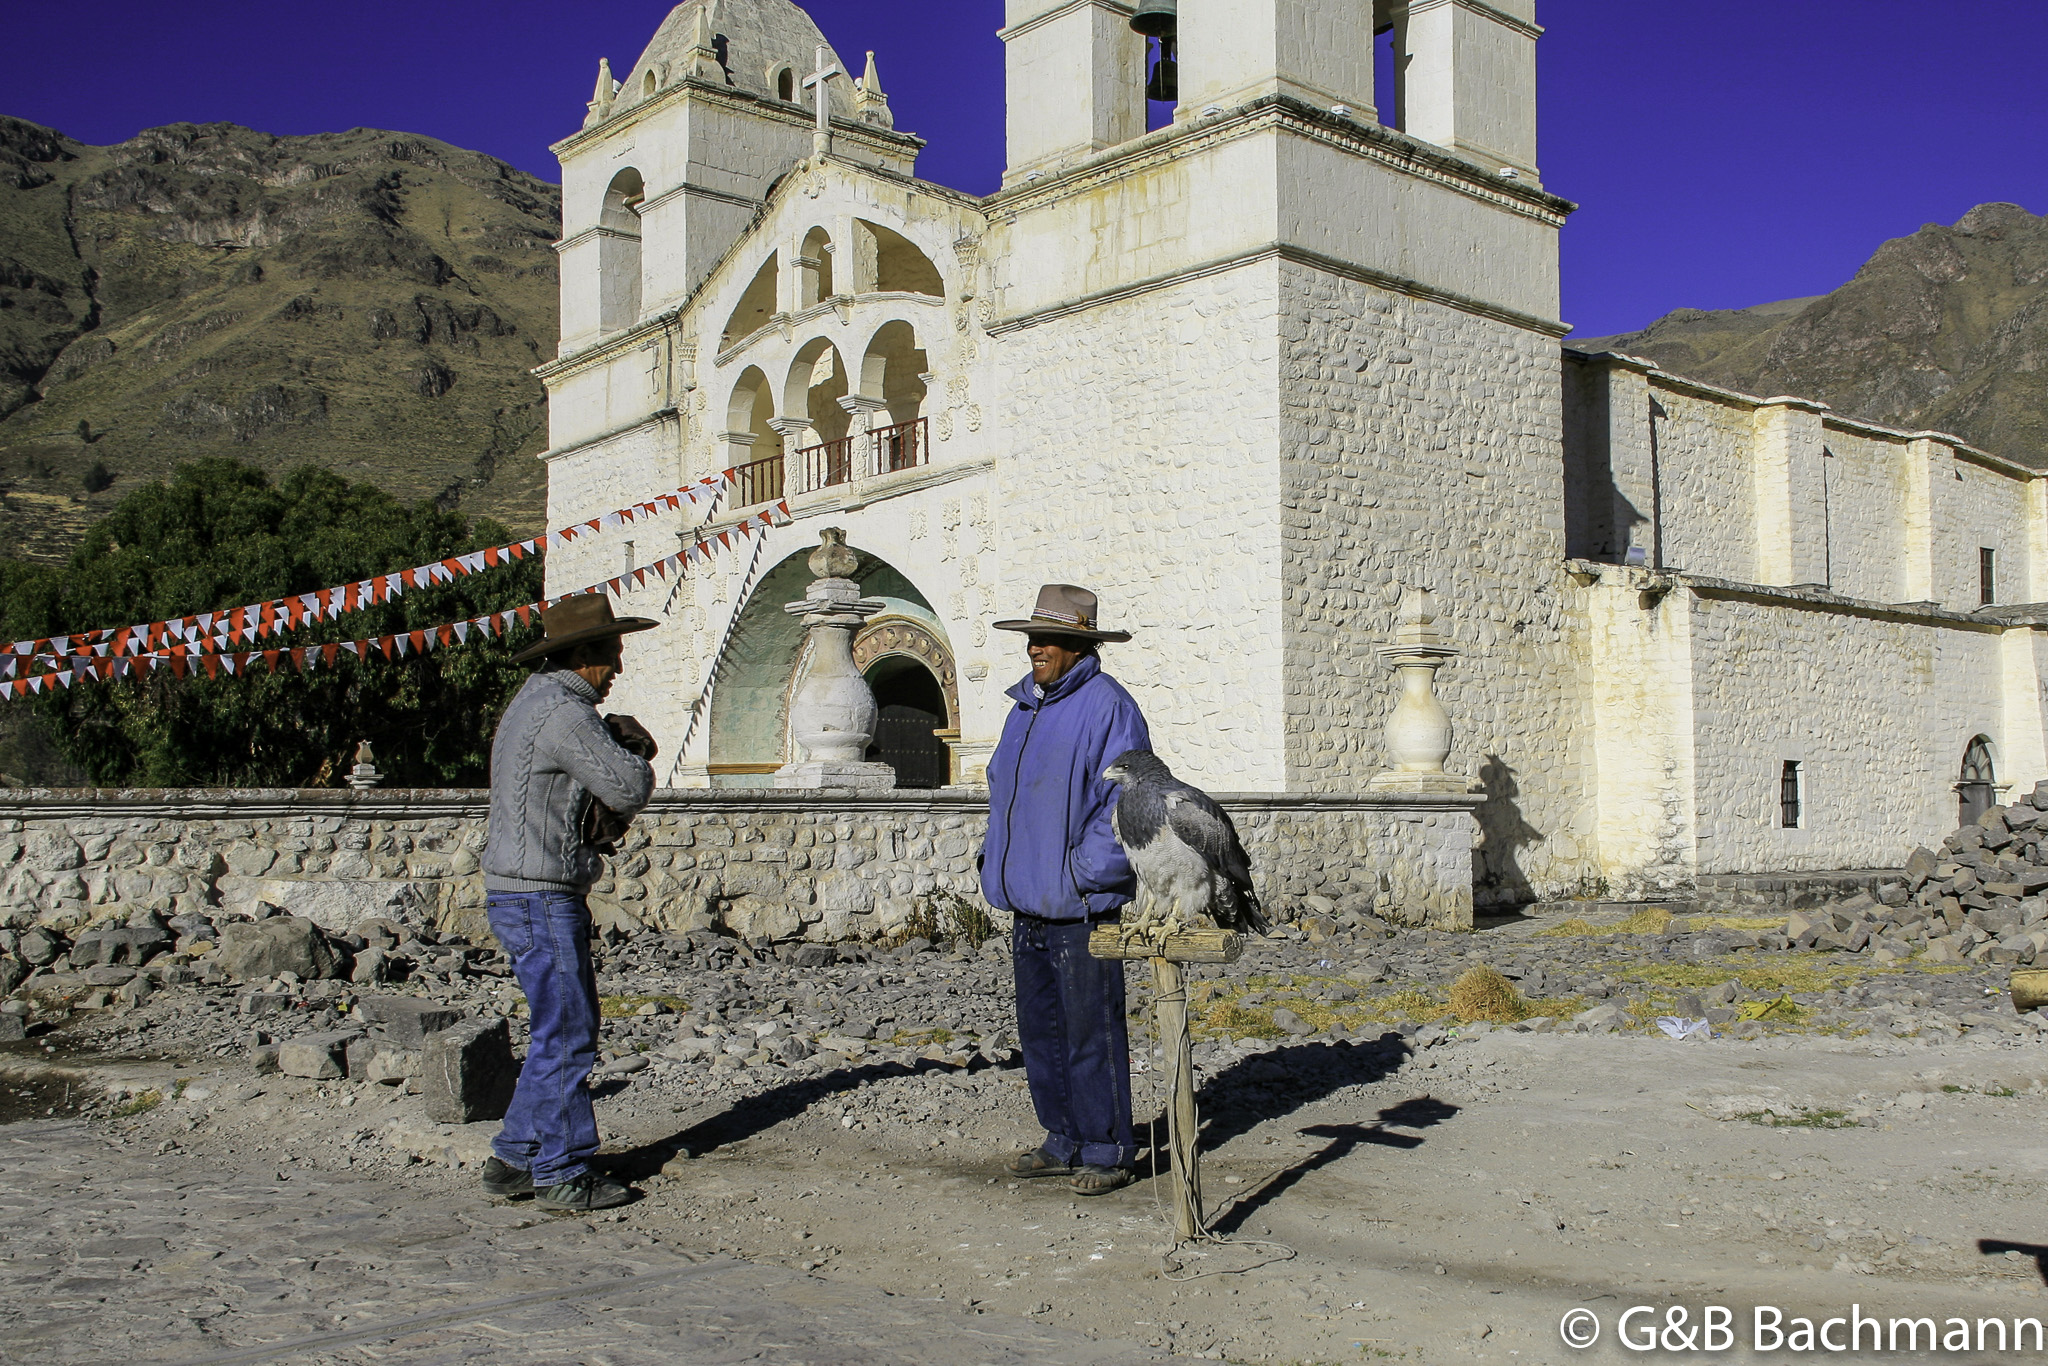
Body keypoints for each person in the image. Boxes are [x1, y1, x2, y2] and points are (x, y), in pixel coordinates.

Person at [478, 594, 659, 1212]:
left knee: (555, 1027)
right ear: (582, 656)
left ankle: (515, 1155)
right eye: (611, 655)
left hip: (517, 888)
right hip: (541, 893)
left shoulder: (532, 703)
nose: (617, 669)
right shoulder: (564, 713)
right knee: (571, 1031)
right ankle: (562, 1170)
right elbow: (628, 786)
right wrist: (630, 752)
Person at [980, 584, 1152, 1196]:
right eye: (1033, 639)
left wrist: (1084, 875)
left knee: (1089, 1029)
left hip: (1081, 905)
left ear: (1080, 646)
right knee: (1042, 1030)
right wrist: (995, 861)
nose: (1037, 649)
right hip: (1029, 900)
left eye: (1051, 640)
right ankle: (1063, 1137)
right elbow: (1007, 796)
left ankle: (1106, 1146)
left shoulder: (1109, 707)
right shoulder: (1023, 708)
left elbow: (1126, 802)